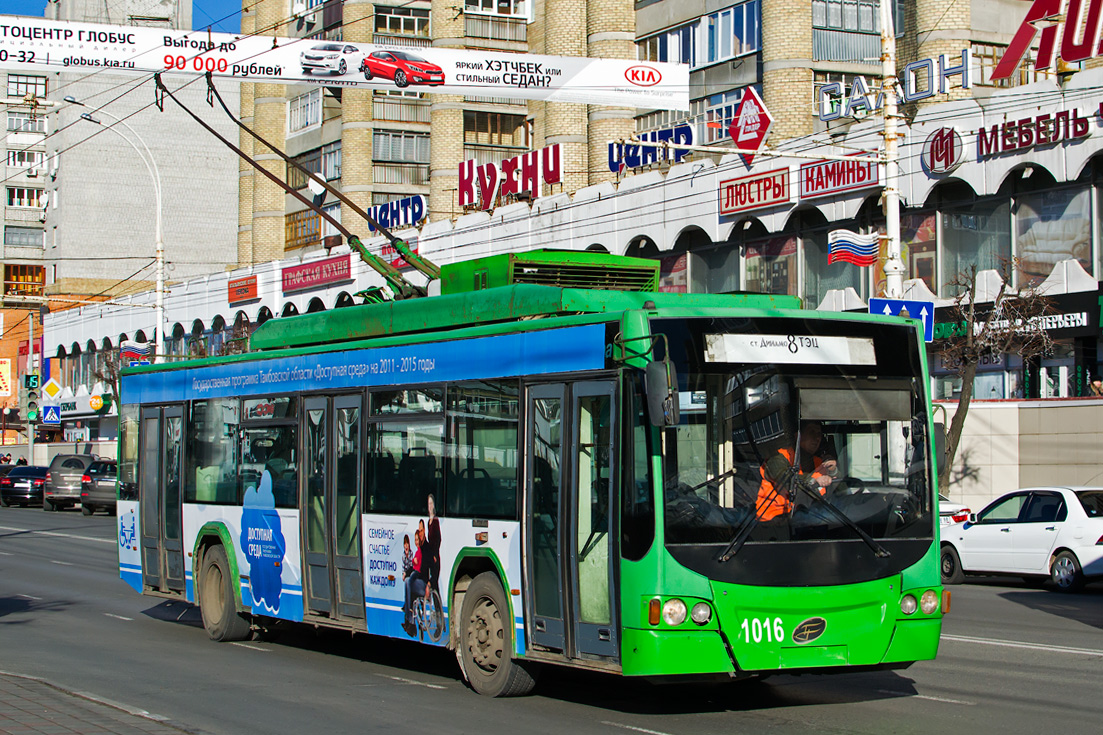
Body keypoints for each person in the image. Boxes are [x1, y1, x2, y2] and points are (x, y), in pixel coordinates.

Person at [756, 420, 837, 522]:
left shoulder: (820, 464)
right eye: (811, 433)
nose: (817, 438)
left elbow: (837, 493)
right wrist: (811, 480)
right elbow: (786, 480)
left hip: (811, 521)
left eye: (819, 434)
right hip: (773, 524)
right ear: (798, 436)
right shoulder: (778, 460)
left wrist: (833, 471)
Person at [402, 529, 426, 636]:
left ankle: (408, 615)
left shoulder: (421, 552)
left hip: (423, 583)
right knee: (408, 581)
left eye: (418, 539)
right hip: (418, 580)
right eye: (415, 540)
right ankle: (409, 619)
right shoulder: (417, 552)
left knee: (408, 582)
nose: (416, 542)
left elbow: (420, 569)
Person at [424, 494, 441, 602]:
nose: (429, 506)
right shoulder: (428, 521)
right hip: (430, 555)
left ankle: (438, 608)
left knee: (434, 581)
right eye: (428, 504)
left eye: (431, 503)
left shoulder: (435, 521)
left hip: (435, 556)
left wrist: (434, 554)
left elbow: (438, 539)